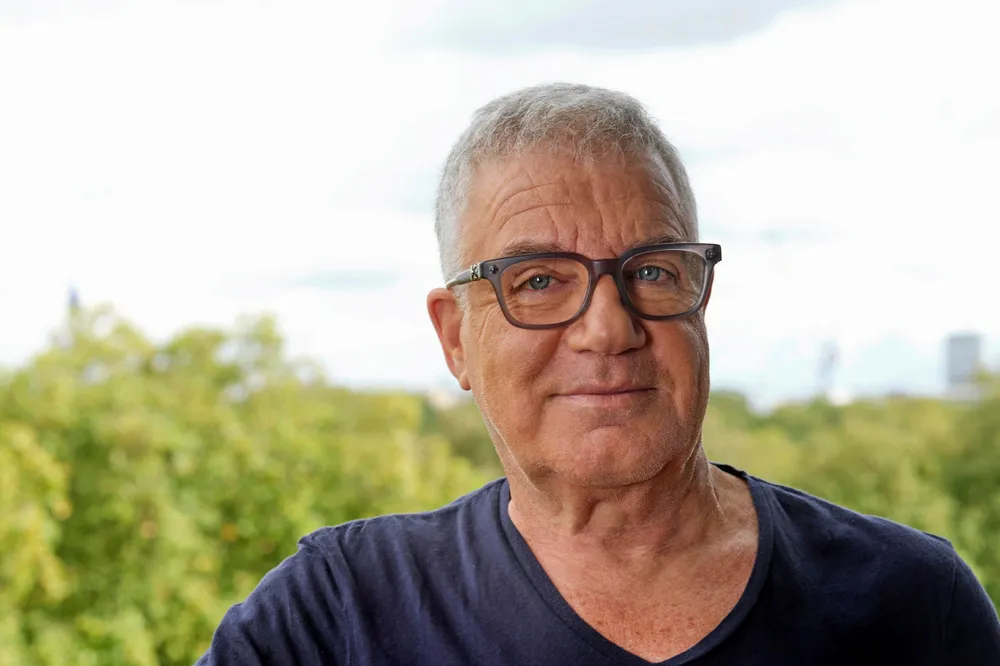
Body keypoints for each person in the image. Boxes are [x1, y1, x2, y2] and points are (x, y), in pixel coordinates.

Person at [195, 83, 1000, 665]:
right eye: (538, 280)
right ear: (455, 338)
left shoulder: (912, 605)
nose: (609, 328)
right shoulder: (335, 619)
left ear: (699, 298)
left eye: (651, 271)